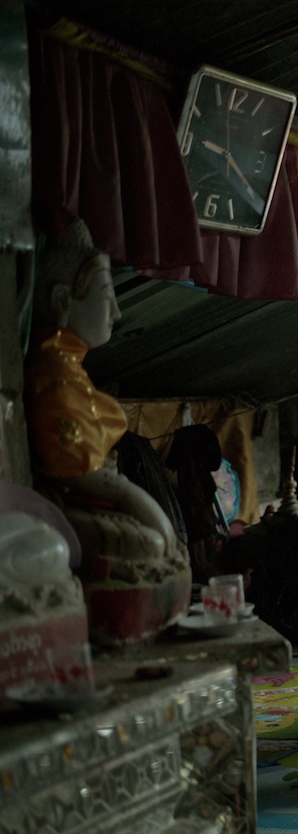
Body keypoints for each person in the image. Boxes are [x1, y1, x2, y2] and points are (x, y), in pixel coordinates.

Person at [24, 219, 190, 642]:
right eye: (105, 296)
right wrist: (143, 505)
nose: (117, 312)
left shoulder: (71, 372)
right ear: (62, 300)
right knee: (150, 546)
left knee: (160, 544)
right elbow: (74, 470)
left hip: (97, 498)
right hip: (68, 502)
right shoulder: (53, 377)